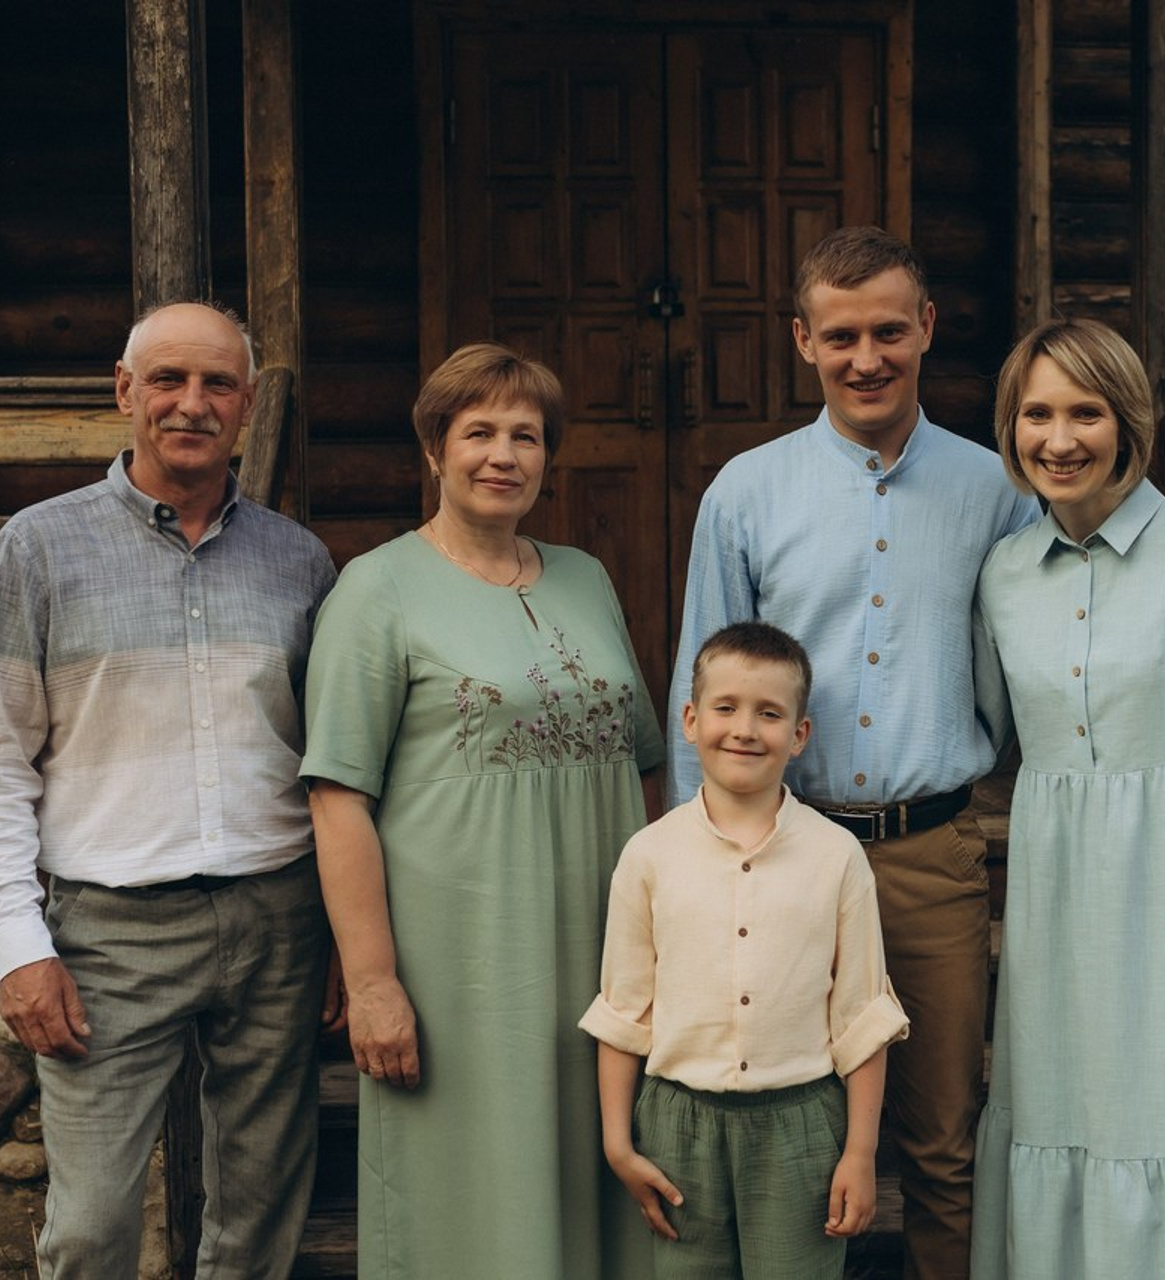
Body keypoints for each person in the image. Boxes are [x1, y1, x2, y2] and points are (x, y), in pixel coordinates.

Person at [666, 224, 1040, 1279]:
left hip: (928, 856)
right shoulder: (745, 491)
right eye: (839, 336)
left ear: (926, 328)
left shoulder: (995, 489)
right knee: (781, 1133)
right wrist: (702, 853)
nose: (864, 356)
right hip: (778, 850)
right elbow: (703, 672)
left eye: (886, 329)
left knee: (939, 1136)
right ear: (801, 340)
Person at [301, 341, 665, 1279]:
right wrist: (373, 982)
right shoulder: (374, 591)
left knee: (605, 1169)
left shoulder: (587, 577)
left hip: (601, 950)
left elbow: (647, 766)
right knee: (473, 1193)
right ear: (434, 448)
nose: (504, 455)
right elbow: (339, 797)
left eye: (527, 436)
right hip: (465, 964)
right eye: (479, 433)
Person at [0, 301, 338, 1276]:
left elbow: (327, 761)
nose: (191, 404)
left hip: (278, 918)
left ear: (246, 405)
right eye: (167, 380)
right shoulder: (35, 548)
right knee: (94, 1225)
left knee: (256, 1218)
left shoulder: (297, 560)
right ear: (124, 391)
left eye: (217, 384)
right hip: (107, 934)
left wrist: (340, 937)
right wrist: (20, 948)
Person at [970, 317, 1165, 1278]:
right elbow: (984, 733)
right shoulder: (1003, 573)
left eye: (1085, 412)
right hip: (1059, 897)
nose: (1058, 439)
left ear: (1129, 421)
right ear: (1011, 427)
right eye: (1036, 414)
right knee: (1065, 1106)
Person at [582, 621, 909, 1278]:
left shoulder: (836, 856)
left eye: (769, 714)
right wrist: (618, 1143)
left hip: (801, 1121)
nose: (744, 729)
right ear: (691, 719)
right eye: (726, 708)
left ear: (799, 735)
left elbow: (863, 1017)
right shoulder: (649, 856)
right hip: (680, 1122)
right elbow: (624, 1010)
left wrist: (860, 1152)